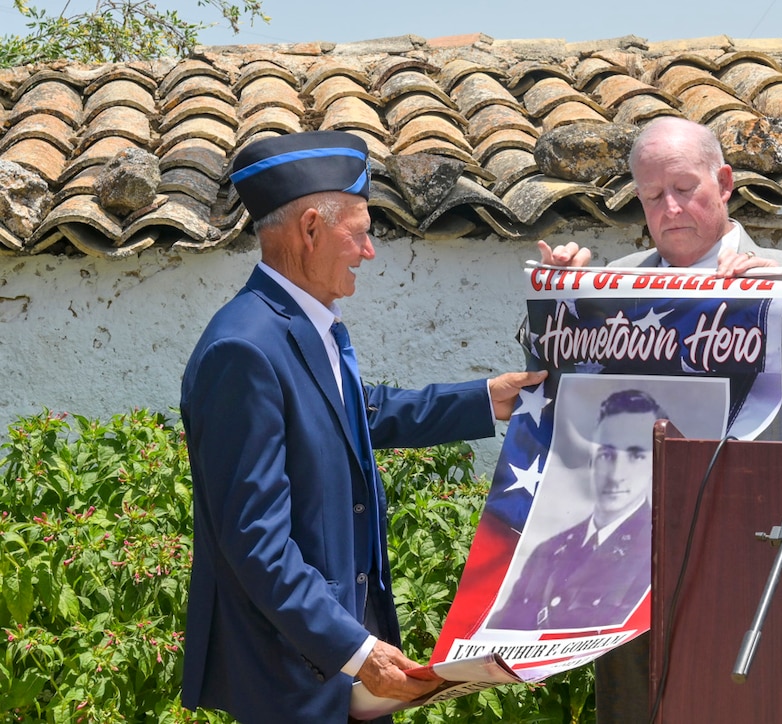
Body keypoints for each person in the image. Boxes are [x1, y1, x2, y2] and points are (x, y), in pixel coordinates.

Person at [538, 116, 782, 723]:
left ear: (724, 181)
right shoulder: (611, 286)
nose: (670, 207)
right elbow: (553, 407)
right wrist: (558, 304)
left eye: (684, 187)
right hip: (631, 584)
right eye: (652, 196)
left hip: (755, 575)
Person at [180, 130, 546, 724]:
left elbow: (355, 413)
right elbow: (255, 541)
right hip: (292, 674)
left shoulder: (301, 324)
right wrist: (354, 651)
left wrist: (485, 399)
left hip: (332, 659)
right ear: (310, 228)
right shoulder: (242, 349)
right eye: (362, 228)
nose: (369, 251)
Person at [489, 389, 664, 631]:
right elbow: (503, 628)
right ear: (591, 461)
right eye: (607, 454)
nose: (616, 475)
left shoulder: (660, 553)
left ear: (655, 466)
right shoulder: (549, 549)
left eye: (635, 456)